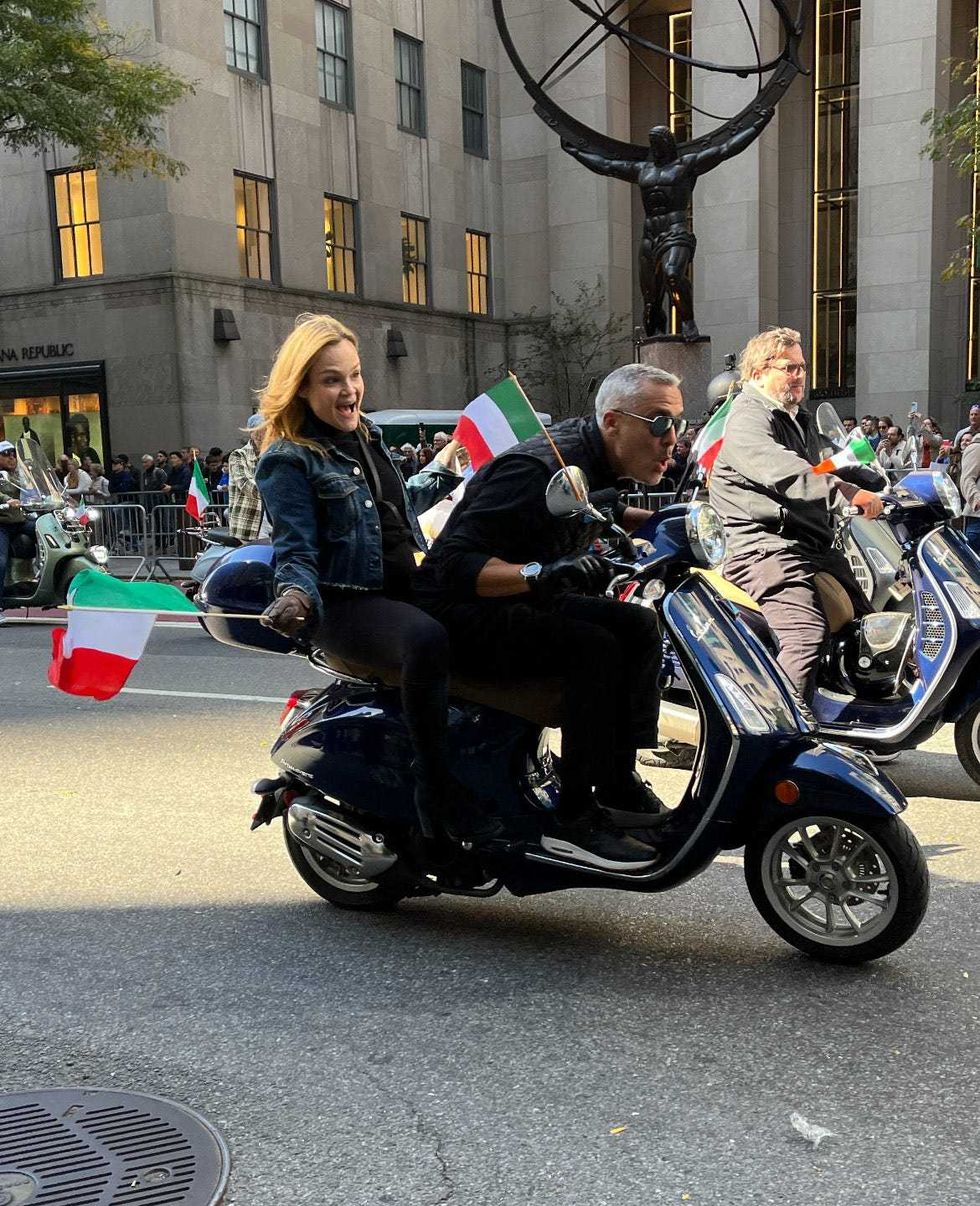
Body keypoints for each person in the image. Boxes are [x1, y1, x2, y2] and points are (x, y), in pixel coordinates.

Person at [416, 362, 688, 870]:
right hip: (461, 609)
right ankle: (575, 816)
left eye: (677, 422)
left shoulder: (590, 459)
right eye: (657, 423)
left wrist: (668, 522)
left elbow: (589, 505)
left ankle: (615, 782)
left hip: (521, 597)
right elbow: (452, 565)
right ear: (613, 422)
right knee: (594, 646)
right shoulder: (536, 469)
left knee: (638, 625)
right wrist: (543, 571)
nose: (671, 437)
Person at [252, 312, 498, 846]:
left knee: (511, 613)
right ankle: (433, 790)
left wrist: (447, 473)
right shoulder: (289, 460)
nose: (350, 390)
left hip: (406, 585)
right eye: (332, 379)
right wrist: (294, 594)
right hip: (347, 603)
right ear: (302, 388)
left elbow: (392, 510)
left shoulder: (368, 434)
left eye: (355, 374)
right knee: (426, 640)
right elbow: (295, 547)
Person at [708, 326, 883, 700]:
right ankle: (782, 738)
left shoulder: (795, 418)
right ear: (758, 373)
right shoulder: (748, 417)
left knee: (866, 623)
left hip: (808, 544)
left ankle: (857, 722)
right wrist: (847, 492)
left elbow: (816, 470)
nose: (799, 375)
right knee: (805, 635)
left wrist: (871, 480)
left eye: (802, 367)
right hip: (764, 547)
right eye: (789, 367)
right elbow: (782, 469)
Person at [0, 440, 36, 618]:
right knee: (1, 560)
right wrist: (7, 499)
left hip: (19, 520)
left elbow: (32, 491)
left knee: (47, 531)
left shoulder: (17, 475)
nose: (11, 457)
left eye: (13, 453)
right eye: (6, 454)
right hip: (2, 524)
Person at [227, 414, 267, 542]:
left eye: (266, 429)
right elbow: (245, 484)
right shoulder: (239, 455)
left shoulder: (273, 454)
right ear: (251, 433)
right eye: (258, 430)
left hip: (272, 520)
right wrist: (274, 492)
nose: (262, 434)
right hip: (248, 523)